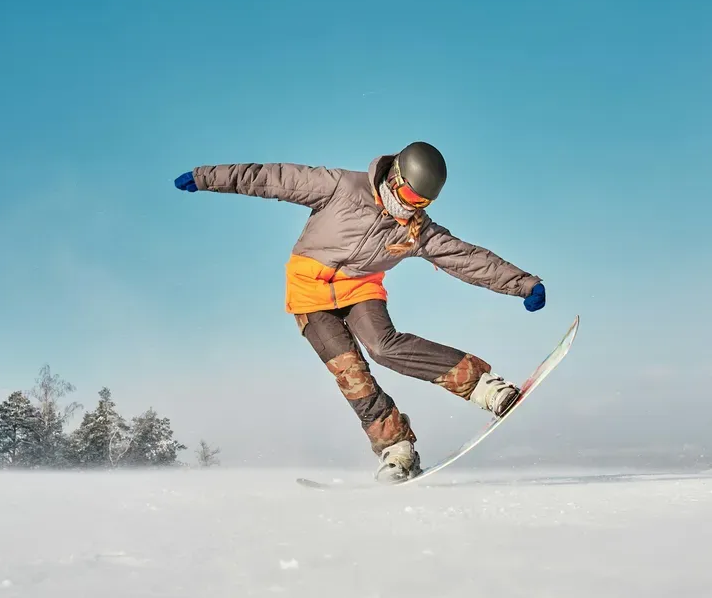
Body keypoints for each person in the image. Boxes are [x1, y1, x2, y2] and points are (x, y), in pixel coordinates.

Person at [173, 141, 546, 482]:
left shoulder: (416, 230)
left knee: (384, 346)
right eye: (412, 196)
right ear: (396, 177)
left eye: (424, 202)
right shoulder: (339, 186)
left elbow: (467, 258)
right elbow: (272, 178)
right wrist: (207, 177)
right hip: (309, 293)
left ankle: (485, 388)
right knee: (351, 375)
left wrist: (522, 284)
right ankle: (397, 451)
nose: (413, 207)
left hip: (360, 288)